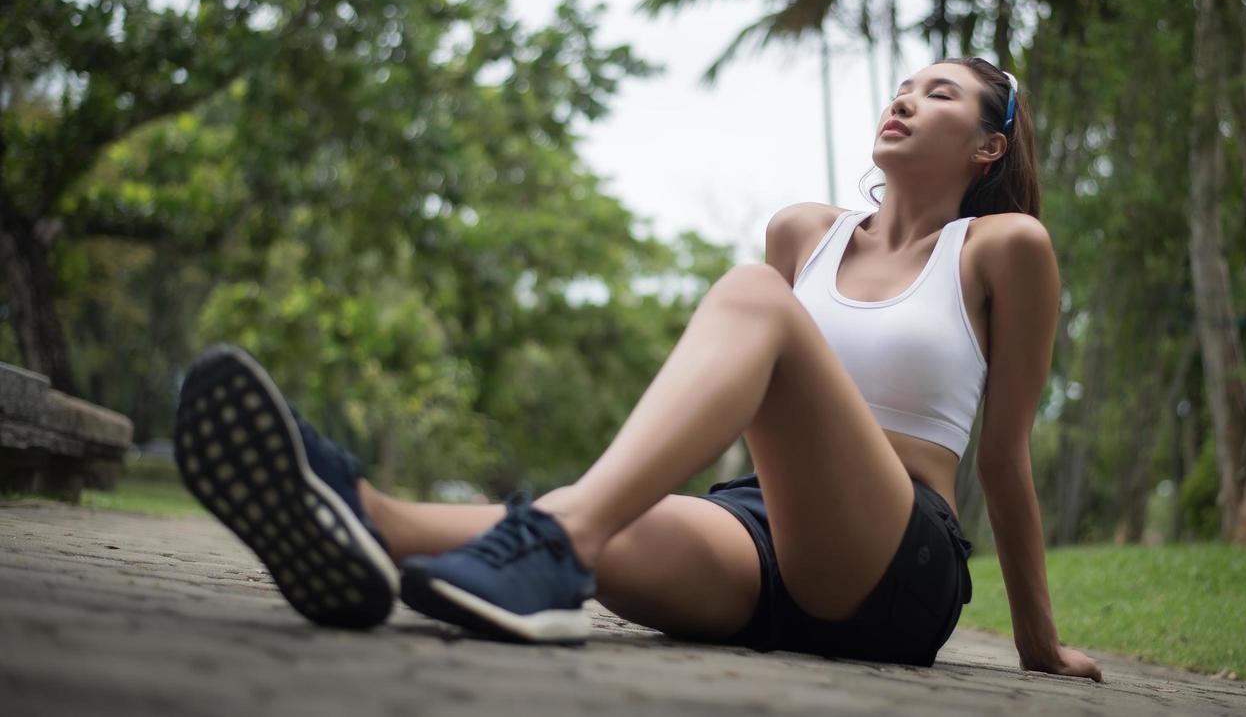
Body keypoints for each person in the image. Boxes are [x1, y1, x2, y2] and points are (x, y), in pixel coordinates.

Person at [173, 56, 1103, 680]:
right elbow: (756, 405)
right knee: (598, 523)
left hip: (894, 558)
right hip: (755, 535)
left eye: (939, 95)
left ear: (988, 146)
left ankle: (554, 544)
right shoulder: (804, 234)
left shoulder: (1003, 246)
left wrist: (1037, 643)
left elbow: (1002, 459)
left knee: (747, 299)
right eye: (901, 86)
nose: (904, 98)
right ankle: (363, 525)